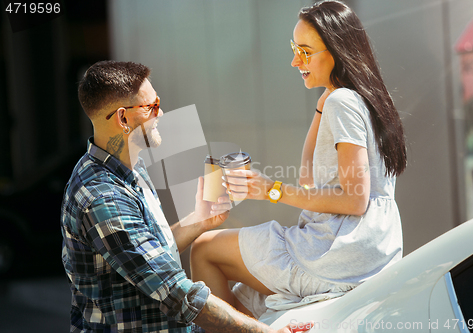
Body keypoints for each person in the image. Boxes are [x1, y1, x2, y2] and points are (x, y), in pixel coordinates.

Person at [190, 0, 407, 319]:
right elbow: (310, 183)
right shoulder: (354, 99)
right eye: (295, 48)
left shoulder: (343, 102)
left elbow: (354, 201)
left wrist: (271, 190)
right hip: (366, 252)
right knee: (244, 300)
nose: (295, 61)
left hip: (339, 255)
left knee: (204, 249)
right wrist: (322, 106)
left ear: (336, 50)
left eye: (305, 51)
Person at [60, 60, 312, 333]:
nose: (162, 113)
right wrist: (266, 332)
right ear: (123, 118)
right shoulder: (103, 198)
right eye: (152, 106)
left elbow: (150, 253)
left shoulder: (131, 167)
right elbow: (176, 292)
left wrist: (199, 220)